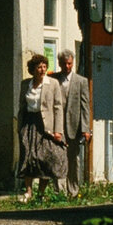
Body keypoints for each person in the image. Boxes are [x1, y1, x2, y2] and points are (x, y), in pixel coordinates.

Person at [17, 53, 67, 201]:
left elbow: (58, 107)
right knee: (28, 156)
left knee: (45, 158)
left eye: (44, 67)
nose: (42, 70)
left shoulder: (52, 84)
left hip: (46, 125)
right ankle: (28, 192)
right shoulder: (25, 84)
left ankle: (41, 193)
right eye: (39, 67)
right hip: (29, 123)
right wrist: (19, 127)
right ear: (33, 69)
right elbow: (21, 106)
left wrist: (58, 130)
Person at [55, 49, 93, 197]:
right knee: (58, 159)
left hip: (74, 126)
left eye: (69, 63)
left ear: (73, 62)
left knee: (73, 160)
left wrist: (85, 129)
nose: (67, 67)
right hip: (58, 126)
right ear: (59, 63)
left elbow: (85, 107)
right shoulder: (54, 79)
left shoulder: (81, 81)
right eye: (64, 64)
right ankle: (59, 191)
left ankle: (73, 190)